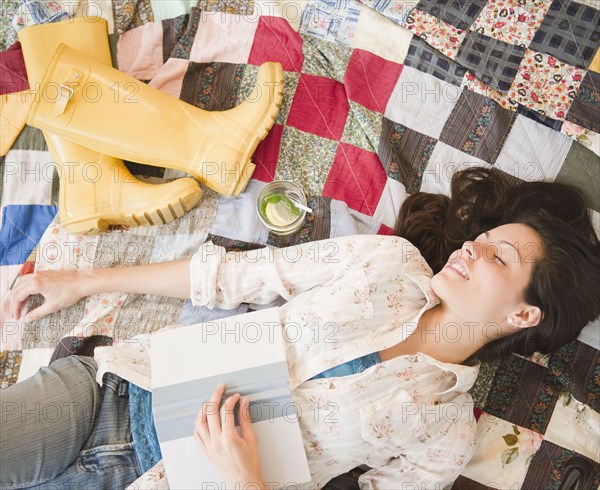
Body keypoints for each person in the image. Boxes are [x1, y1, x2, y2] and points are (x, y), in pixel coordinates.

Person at [2, 167, 599, 489]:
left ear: (523, 316)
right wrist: (81, 282)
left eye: (498, 257)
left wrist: (249, 483)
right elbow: (234, 276)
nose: (472, 247)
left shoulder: (443, 436)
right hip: (117, 391)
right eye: (485, 239)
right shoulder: (387, 264)